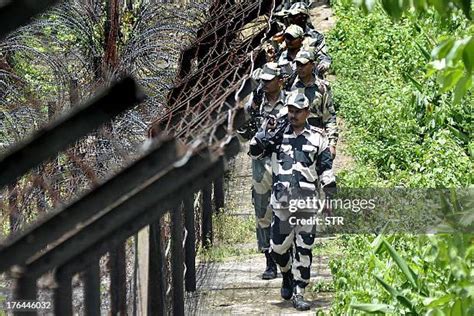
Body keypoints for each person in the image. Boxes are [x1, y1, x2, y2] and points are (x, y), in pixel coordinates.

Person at [249, 91, 336, 311]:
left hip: (307, 202)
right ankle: (286, 273)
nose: (293, 115)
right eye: (290, 110)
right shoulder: (278, 134)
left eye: (298, 111)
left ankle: (299, 292)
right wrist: (262, 132)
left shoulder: (318, 137)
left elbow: (326, 168)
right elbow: (255, 152)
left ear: (307, 112)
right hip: (281, 202)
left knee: (304, 248)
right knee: (278, 249)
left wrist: (330, 197)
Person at [237, 62, 288, 279]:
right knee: (262, 212)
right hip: (261, 164)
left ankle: (286, 256)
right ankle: (269, 261)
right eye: (263, 80)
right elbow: (242, 135)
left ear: (280, 80)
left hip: (285, 162)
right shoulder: (255, 104)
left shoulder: (292, 102)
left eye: (269, 80)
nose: (265, 84)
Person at [288, 49, 338, 158]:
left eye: (304, 64)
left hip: (316, 137)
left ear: (312, 65)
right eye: (298, 64)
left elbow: (329, 116)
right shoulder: (289, 85)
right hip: (293, 137)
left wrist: (332, 144)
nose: (300, 67)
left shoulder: (322, 87)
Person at [287, 2, 331, 75]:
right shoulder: (285, 35)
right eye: (290, 16)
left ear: (303, 17)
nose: (291, 18)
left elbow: (323, 56)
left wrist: (323, 65)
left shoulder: (316, 36)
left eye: (295, 16)